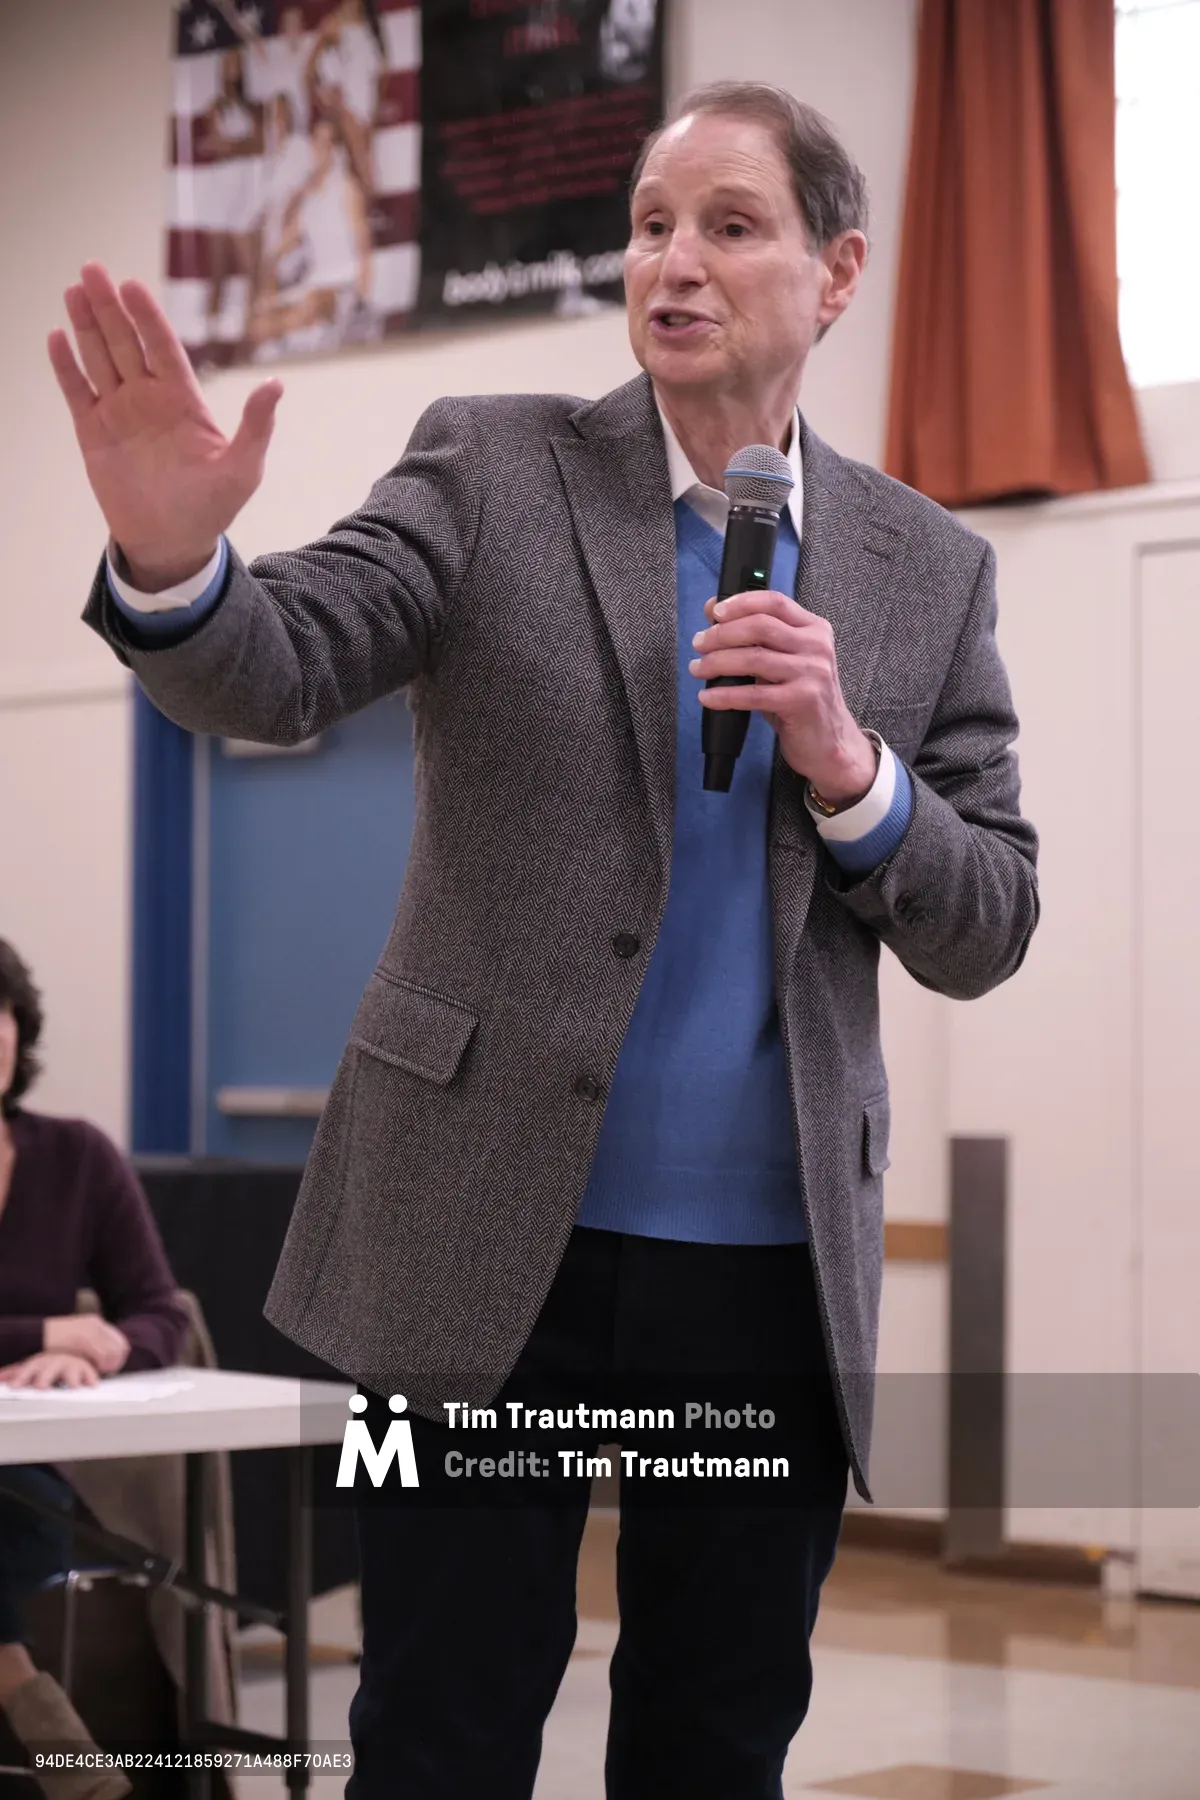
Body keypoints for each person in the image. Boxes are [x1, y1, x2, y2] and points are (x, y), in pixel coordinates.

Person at [48, 80, 1039, 1800]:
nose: (673, 262)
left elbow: (991, 915)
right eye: (652, 223)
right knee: (432, 1729)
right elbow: (278, 665)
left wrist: (853, 766)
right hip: (469, 1240)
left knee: (718, 1736)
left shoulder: (925, 569)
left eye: (730, 226)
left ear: (840, 270)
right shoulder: (489, 463)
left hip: (768, 1275)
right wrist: (170, 560)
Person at [0, 942, 188, 1799]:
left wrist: (112, 1345)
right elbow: (59, 1327)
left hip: (38, 1469)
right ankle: (31, 1707)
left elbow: (158, 1309)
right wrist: (45, 1330)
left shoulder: (78, 1156)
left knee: (16, 1507)